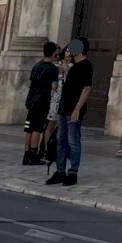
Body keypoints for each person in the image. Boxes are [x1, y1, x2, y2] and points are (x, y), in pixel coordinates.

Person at [46, 39, 92, 187]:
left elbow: (86, 89)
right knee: (61, 140)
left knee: (73, 141)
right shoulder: (72, 65)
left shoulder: (86, 65)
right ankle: (60, 171)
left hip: (74, 109)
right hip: (63, 107)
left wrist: (77, 109)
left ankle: (73, 172)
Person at [23, 40, 59, 166]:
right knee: (37, 129)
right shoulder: (53, 69)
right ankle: (33, 155)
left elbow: (31, 83)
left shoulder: (37, 65)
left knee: (28, 128)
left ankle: (26, 154)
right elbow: (54, 87)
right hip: (42, 101)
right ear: (54, 53)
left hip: (32, 99)